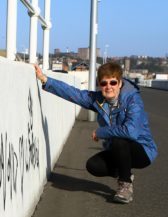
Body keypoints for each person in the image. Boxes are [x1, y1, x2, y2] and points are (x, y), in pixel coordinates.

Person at [34, 62, 157, 204]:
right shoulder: (98, 100)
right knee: (93, 166)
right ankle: (126, 172)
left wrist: (101, 132)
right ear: (99, 84)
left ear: (120, 83)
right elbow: (74, 94)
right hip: (119, 150)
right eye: (104, 83)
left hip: (142, 151)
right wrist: (45, 79)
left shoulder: (133, 100)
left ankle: (125, 186)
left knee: (119, 140)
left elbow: (131, 132)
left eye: (113, 82)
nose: (108, 86)